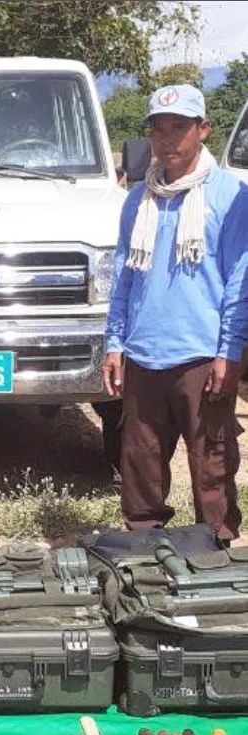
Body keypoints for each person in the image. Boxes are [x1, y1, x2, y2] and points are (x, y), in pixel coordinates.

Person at [102, 84, 248, 542]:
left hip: (202, 356)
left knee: (212, 466)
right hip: (144, 355)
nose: (167, 139)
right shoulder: (138, 198)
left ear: (203, 130)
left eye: (179, 127)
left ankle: (218, 555)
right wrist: (114, 342)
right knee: (140, 466)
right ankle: (145, 553)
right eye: (158, 129)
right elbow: (124, 275)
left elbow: (240, 280)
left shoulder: (229, 195)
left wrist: (229, 349)